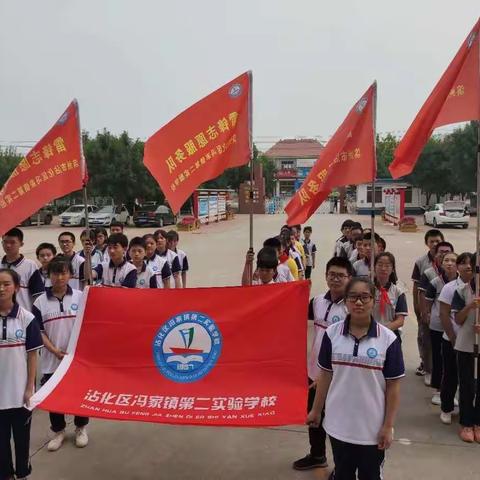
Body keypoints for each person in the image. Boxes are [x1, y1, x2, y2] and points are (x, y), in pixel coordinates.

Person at [307, 278, 404, 480]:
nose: (358, 303)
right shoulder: (332, 334)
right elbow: (325, 375)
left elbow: (393, 386)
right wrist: (316, 410)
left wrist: (388, 425)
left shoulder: (388, 339)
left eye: (364, 297)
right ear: (347, 300)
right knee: (343, 473)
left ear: (374, 300)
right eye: (353, 297)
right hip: (338, 425)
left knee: (370, 475)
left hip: (372, 428)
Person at [293, 257, 351, 471]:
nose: (335, 279)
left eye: (340, 276)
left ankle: (342, 466)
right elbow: (292, 317)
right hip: (313, 372)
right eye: (332, 275)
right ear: (326, 276)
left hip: (338, 376)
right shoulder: (317, 301)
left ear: (349, 278)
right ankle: (317, 455)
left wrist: (328, 374)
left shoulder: (352, 307)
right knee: (314, 417)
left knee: (337, 422)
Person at [31, 257, 88, 451]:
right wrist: (54, 351)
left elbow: (88, 325)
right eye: (55, 273)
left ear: (70, 275)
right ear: (49, 276)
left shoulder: (81, 296)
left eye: (64, 272)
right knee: (55, 397)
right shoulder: (40, 302)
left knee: (79, 394)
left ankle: (81, 428)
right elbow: (39, 331)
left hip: (76, 358)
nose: (60, 277)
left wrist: (75, 351)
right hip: (51, 358)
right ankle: (58, 431)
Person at [0, 268, 43, 480]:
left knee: (22, 440)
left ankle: (22, 474)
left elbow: (32, 356)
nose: (1, 288)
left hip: (19, 395)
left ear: (16, 288)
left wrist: (29, 389)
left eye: (6, 284)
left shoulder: (26, 318)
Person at [438, 252, 472, 425]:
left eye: (470, 263)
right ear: (458, 267)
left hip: (470, 343)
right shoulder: (450, 288)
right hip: (452, 338)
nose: (468, 266)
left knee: (468, 378)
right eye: (463, 263)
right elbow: (444, 315)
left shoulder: (475, 288)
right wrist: (452, 337)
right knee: (450, 375)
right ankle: (446, 407)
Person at [451, 255, 480, 443]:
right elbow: (458, 320)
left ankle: (478, 423)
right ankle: (467, 423)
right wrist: (470, 306)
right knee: (468, 385)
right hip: (466, 346)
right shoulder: (462, 291)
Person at [425, 251, 458, 407]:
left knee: (453, 363)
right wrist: (427, 315)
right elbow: (428, 301)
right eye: (447, 260)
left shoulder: (463, 282)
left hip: (456, 327)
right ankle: (437, 390)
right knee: (438, 359)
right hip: (437, 325)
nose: (450, 263)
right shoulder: (435, 282)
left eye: (453, 260)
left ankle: (450, 392)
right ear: (441, 263)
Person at [411, 229, 444, 377]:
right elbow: (416, 288)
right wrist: (419, 310)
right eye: (432, 241)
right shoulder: (420, 262)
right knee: (424, 337)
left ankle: (441, 368)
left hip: (444, 310)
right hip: (426, 307)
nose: (435, 244)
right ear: (426, 243)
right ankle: (425, 364)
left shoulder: (451, 259)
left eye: (437, 241)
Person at [1, 228, 44, 311]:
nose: (8, 245)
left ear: (21, 244)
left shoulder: (30, 266)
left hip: (23, 318)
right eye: (5, 242)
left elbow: (38, 295)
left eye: (12, 242)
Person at [373, 252, 408, 338]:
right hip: (369, 333)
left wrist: (382, 331)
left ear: (392, 269)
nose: (383, 268)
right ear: (374, 267)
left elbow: (400, 320)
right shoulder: (366, 289)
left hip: (391, 334)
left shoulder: (398, 292)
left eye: (387, 265)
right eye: (380, 264)